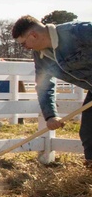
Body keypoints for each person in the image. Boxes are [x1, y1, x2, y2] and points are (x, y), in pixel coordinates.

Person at [11, 15, 92, 167]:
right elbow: (44, 86)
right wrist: (50, 116)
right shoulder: (41, 57)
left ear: (33, 35)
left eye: (23, 44)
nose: (25, 48)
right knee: (89, 133)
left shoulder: (79, 32)